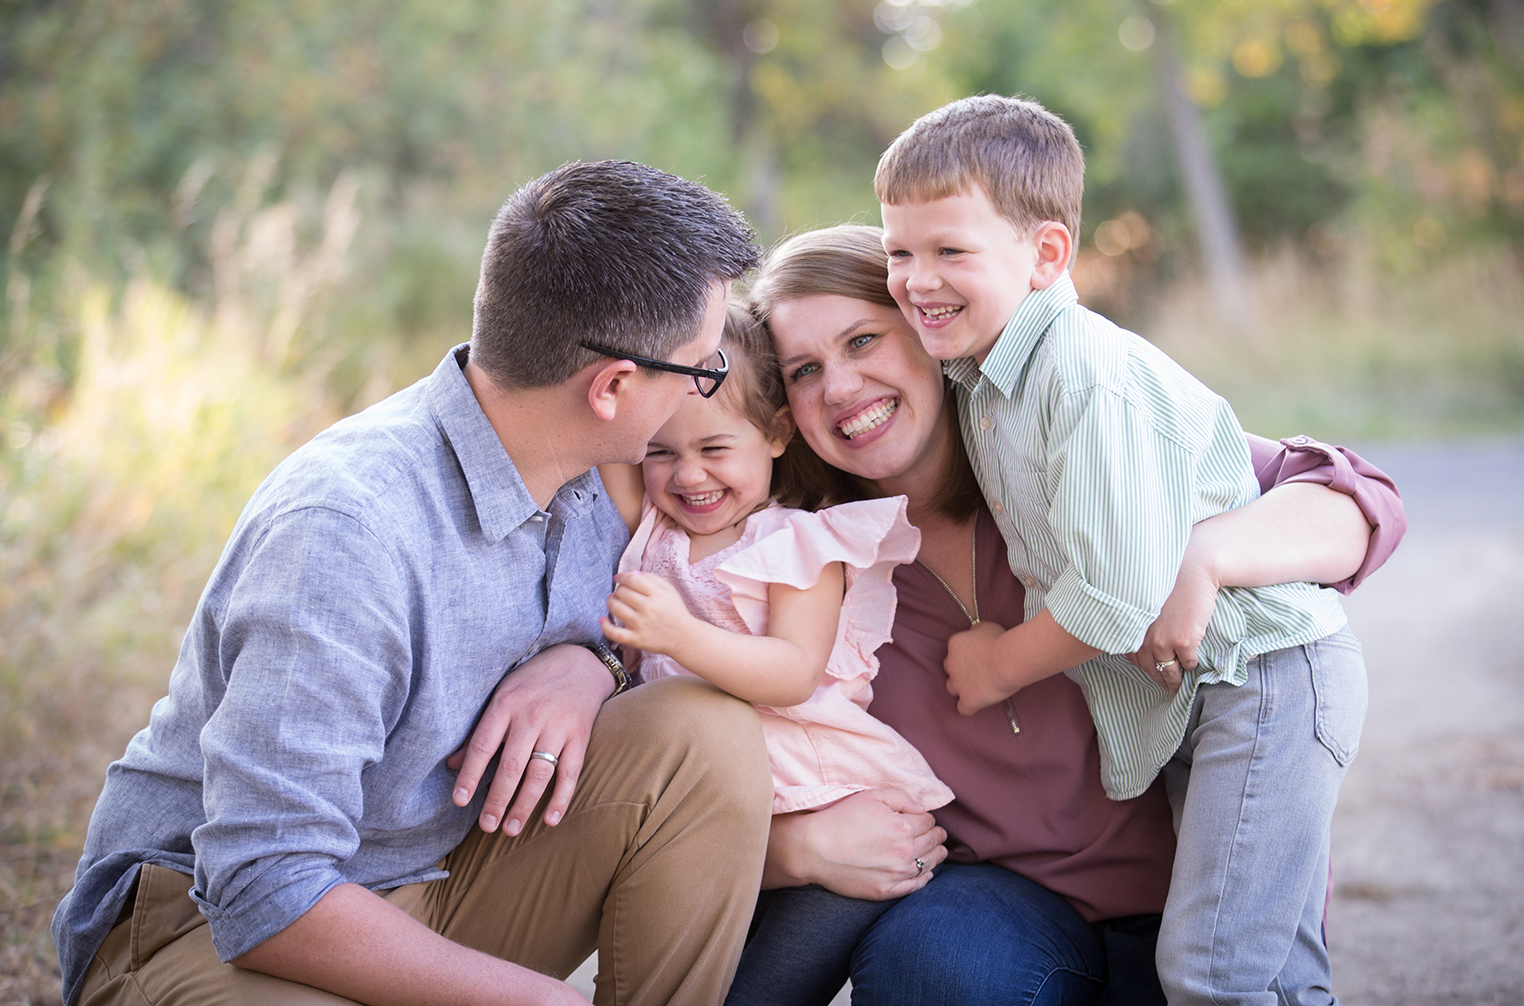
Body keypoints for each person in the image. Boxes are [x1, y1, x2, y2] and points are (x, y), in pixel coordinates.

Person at [51, 160, 776, 1006]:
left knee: (705, 740)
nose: (702, 393)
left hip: (430, 876)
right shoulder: (347, 530)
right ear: (611, 386)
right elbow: (262, 886)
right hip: (210, 930)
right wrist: (544, 1001)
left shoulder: (586, 467)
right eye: (700, 370)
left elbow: (620, 625)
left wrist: (592, 667)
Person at [750, 223, 1405, 1005]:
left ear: (931, 329)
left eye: (864, 340)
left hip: (1195, 903)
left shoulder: (1066, 442)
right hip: (1010, 915)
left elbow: (1356, 503)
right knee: (931, 960)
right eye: (804, 370)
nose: (840, 387)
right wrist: (793, 849)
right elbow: (711, 778)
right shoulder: (801, 562)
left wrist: (1206, 556)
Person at [869, 93, 1369, 1005]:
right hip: (1209, 688)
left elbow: (1117, 593)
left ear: (1047, 253)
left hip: (1260, 674)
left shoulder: (1083, 375)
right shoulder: (982, 371)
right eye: (898, 251)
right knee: (1270, 973)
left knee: (1215, 972)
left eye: (949, 250)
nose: (915, 278)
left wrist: (1002, 663)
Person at [596, 305, 953, 1006]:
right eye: (663, 451)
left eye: (716, 449)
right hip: (718, 807)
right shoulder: (653, 530)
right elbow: (609, 435)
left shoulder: (796, 545)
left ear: (776, 433)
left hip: (825, 797)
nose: (688, 475)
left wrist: (680, 636)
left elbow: (792, 672)